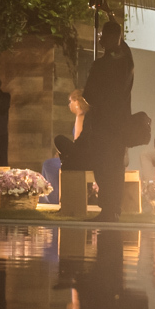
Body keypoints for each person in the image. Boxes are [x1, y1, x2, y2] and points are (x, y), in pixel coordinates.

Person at [54, 15, 135, 222]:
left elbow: (89, 94)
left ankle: (107, 210)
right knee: (116, 167)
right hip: (120, 123)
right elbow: (124, 48)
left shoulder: (101, 65)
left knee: (103, 167)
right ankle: (114, 209)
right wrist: (111, 16)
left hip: (103, 124)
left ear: (104, 40)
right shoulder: (127, 64)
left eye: (102, 38)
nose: (99, 41)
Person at [42, 90, 87, 205]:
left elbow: (77, 143)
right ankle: (47, 198)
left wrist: (66, 155)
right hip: (83, 157)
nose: (69, 105)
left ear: (77, 102)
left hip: (81, 160)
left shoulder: (81, 117)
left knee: (49, 165)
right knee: (50, 163)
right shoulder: (84, 117)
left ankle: (54, 199)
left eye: (70, 101)